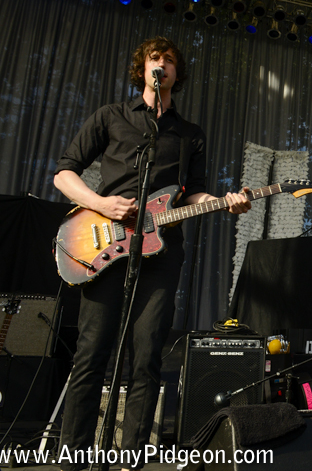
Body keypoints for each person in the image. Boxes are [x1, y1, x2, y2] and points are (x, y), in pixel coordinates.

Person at [53, 36, 251, 469]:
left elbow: (195, 194)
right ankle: (73, 457)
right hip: (104, 247)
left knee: (146, 359)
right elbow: (63, 174)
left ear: (178, 74)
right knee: (91, 354)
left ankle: (132, 459)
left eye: (170, 61)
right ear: (142, 68)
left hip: (162, 253)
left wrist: (225, 201)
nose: (161, 66)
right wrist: (103, 205)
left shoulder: (189, 135)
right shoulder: (112, 117)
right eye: (154, 59)